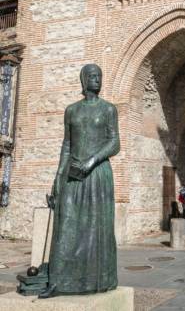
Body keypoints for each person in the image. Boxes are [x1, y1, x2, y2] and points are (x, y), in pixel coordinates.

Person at [40, 64, 120, 298]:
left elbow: (115, 143)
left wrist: (91, 161)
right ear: (84, 80)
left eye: (99, 76)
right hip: (72, 174)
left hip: (97, 174)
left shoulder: (108, 109)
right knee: (65, 225)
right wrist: (57, 177)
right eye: (92, 76)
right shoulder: (71, 110)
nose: (97, 79)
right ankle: (59, 281)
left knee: (96, 228)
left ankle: (98, 279)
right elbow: (66, 145)